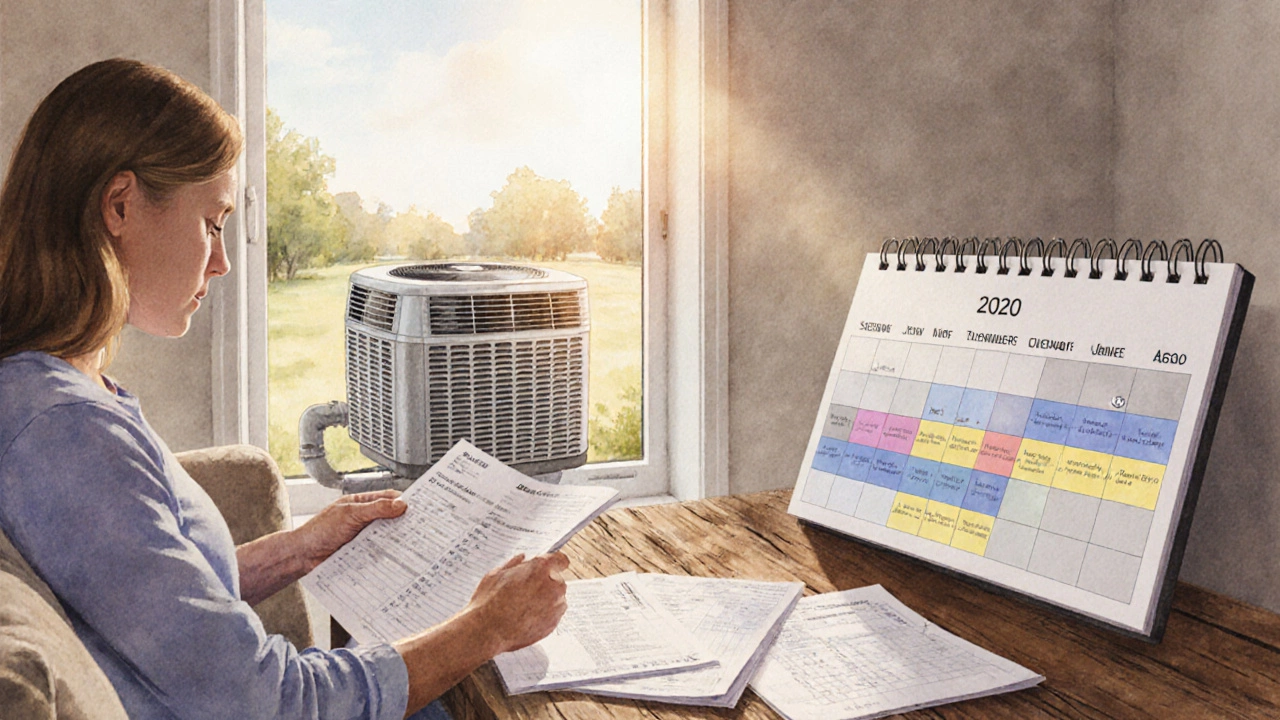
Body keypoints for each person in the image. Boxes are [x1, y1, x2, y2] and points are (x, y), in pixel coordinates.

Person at [0, 58, 569, 719]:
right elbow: (271, 702)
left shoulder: (54, 388)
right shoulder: (64, 434)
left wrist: (299, 548)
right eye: (212, 222)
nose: (222, 261)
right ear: (120, 205)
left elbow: (152, 610)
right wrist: (486, 628)